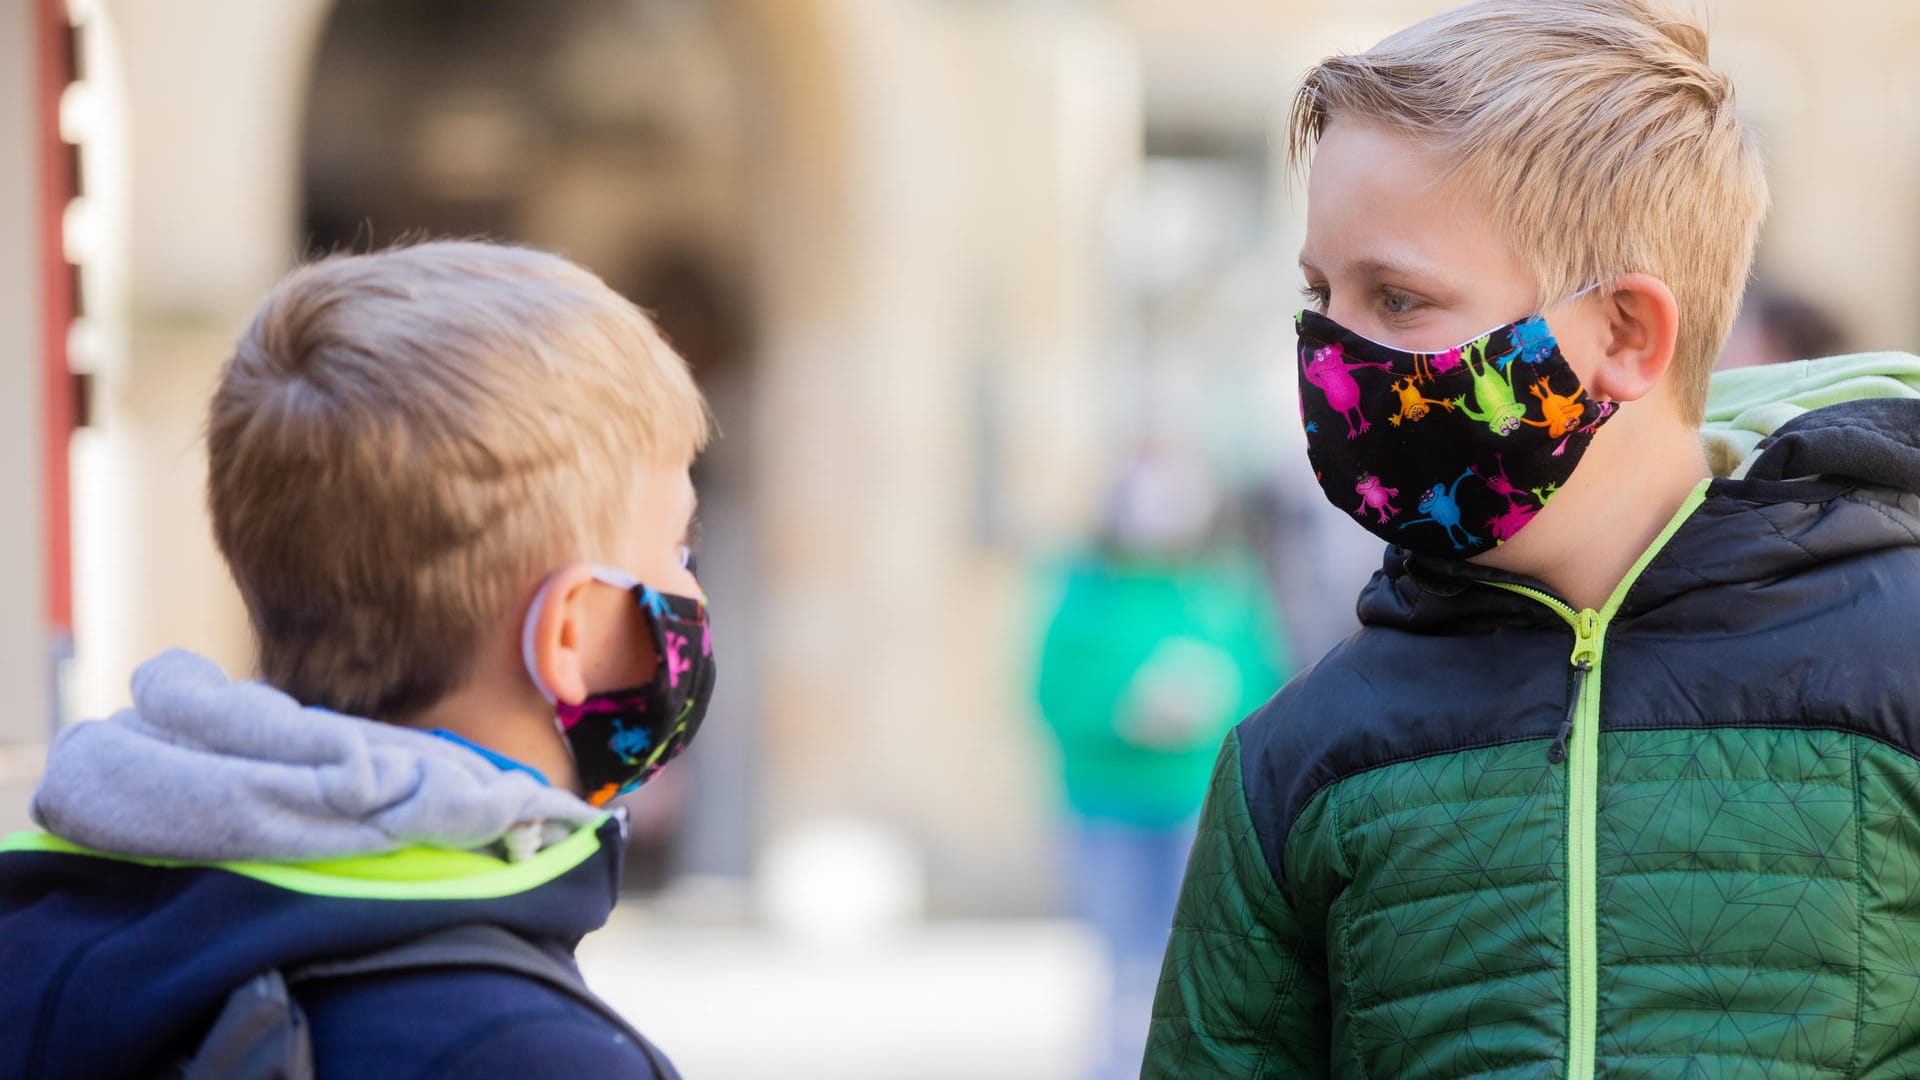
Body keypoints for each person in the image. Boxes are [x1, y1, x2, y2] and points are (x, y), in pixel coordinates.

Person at [1145, 2, 1920, 1078]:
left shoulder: (1898, 667)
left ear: (1625, 335)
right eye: (1321, 292)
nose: (1329, 351)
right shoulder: (1301, 756)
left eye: (1398, 297)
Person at [0, 241, 717, 1078]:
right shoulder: (534, 1056)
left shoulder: (40, 932)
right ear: (570, 634)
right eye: (678, 545)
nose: (691, 587)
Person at [1033, 446, 1289, 1080]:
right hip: (1106, 804)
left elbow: (1267, 682)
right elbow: (1051, 690)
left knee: (1202, 961)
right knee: (1121, 964)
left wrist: (1211, 701)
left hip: (1199, 805)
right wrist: (1124, 713)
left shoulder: (1223, 587)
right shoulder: (1083, 590)